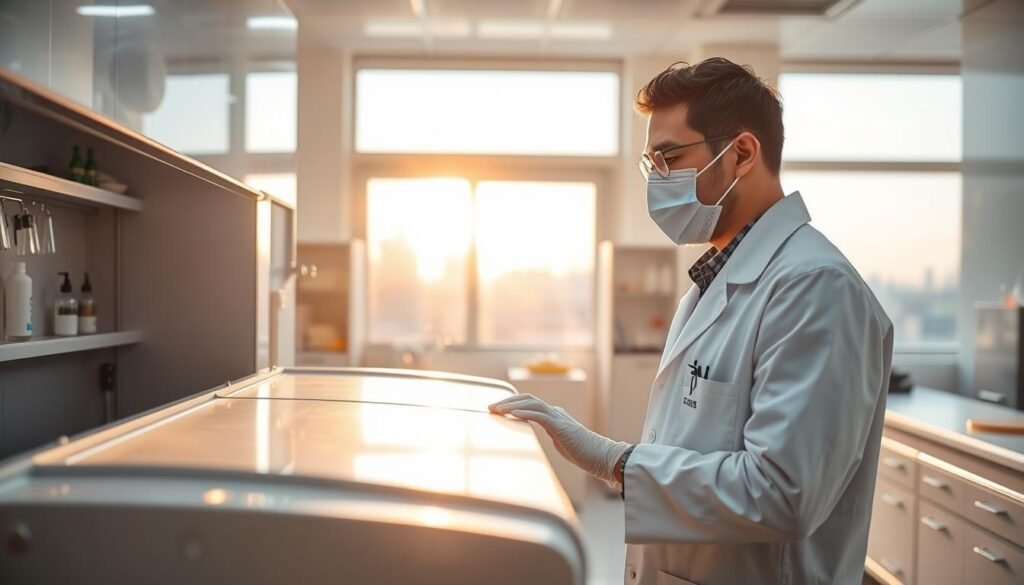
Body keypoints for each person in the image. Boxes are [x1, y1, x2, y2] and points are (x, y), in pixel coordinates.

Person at [489, 57, 894, 585]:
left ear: (742, 153)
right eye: (651, 164)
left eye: (670, 158)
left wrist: (611, 460)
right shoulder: (710, 285)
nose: (658, 180)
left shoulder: (817, 287)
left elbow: (782, 493)